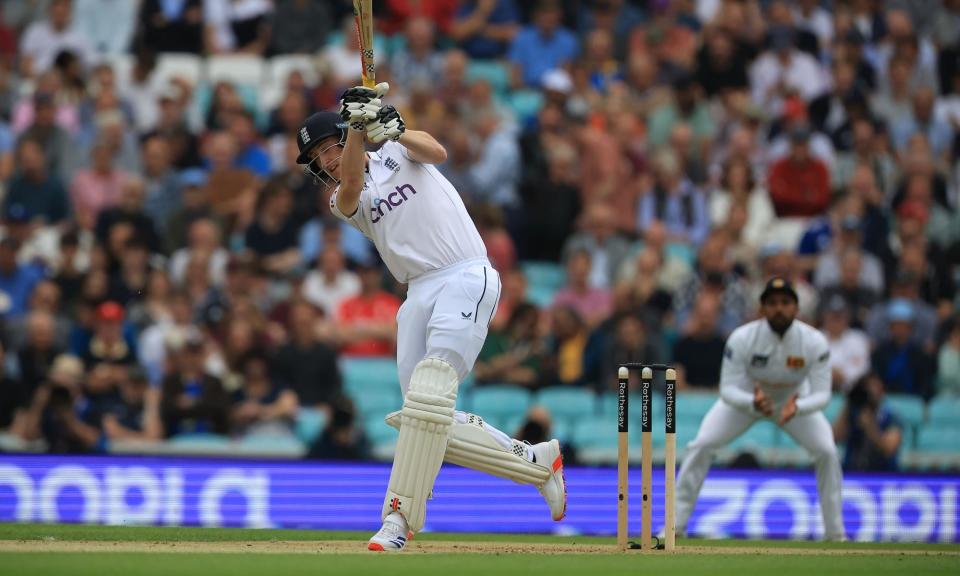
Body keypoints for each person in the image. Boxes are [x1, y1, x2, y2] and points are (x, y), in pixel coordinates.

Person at [295, 82, 566, 551]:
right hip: (418, 292)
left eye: (326, 147)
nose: (326, 160)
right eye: (317, 157)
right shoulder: (342, 198)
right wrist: (360, 129)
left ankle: (398, 520)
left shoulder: (396, 150)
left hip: (464, 272)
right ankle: (535, 462)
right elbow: (354, 185)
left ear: (341, 135)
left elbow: (435, 150)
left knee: (431, 393)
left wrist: (392, 127)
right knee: (422, 416)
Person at [674, 277, 845, 541]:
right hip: (747, 401)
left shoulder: (814, 342)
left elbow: (823, 395)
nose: (779, 308)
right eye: (772, 303)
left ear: (796, 309)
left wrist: (798, 407)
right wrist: (751, 402)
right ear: (762, 308)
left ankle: (835, 535)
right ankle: (674, 528)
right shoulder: (742, 338)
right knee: (702, 444)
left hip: (793, 404)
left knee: (827, 452)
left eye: (785, 303)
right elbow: (728, 389)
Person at [833, 373, 902, 472]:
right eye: (866, 387)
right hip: (851, 476)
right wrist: (849, 402)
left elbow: (889, 448)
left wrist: (870, 426)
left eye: (874, 387)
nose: (869, 392)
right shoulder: (853, 414)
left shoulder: (891, 417)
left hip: (882, 476)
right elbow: (834, 437)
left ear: (882, 391)